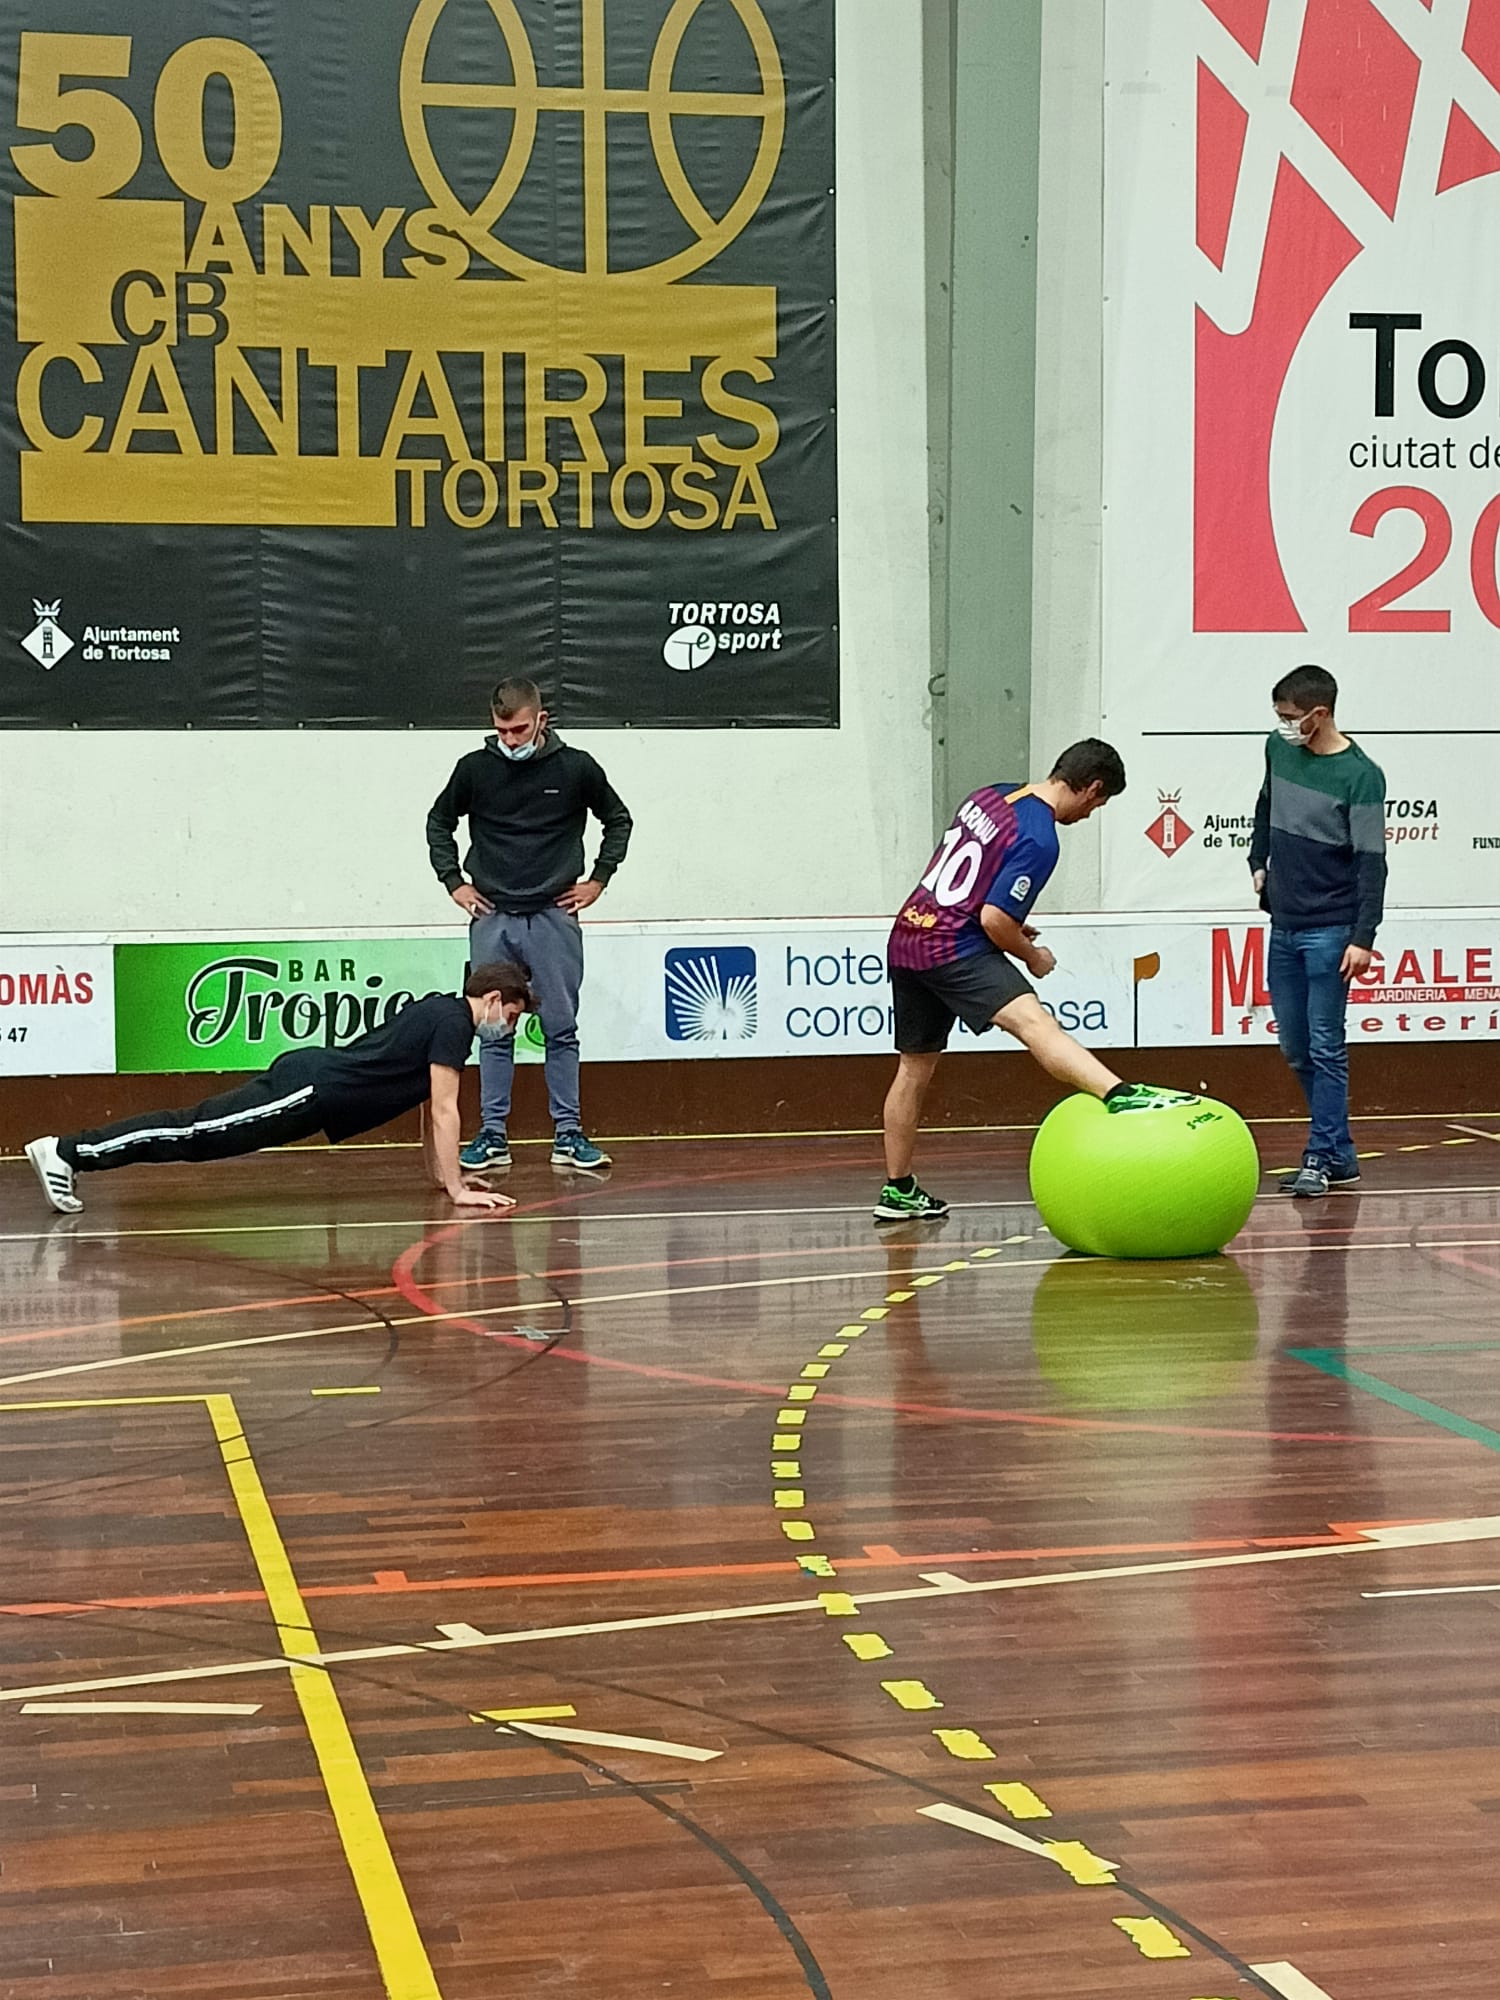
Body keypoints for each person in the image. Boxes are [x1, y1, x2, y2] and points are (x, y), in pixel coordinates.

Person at [878, 739, 1159, 1222]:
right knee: (1035, 1022)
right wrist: (1032, 956)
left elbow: (967, 880)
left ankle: (898, 1189)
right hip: (952, 946)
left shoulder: (991, 794)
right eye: (1098, 805)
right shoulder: (1041, 837)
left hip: (909, 935)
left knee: (913, 1070)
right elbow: (993, 919)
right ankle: (1120, 1095)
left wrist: (1008, 923)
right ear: (1092, 788)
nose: (1089, 816)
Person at [25, 964, 532, 1217]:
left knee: (199, 1136)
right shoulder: (454, 1024)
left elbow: (426, 1105)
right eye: (509, 1016)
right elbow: (444, 1111)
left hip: (312, 1086)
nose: (506, 1027)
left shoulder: (443, 1012)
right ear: (492, 998)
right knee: (196, 1131)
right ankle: (66, 1151)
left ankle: (70, 1153)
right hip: (309, 1090)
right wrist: (459, 1191)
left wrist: (446, 1177)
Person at [426, 678, 632, 1174]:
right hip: (492, 915)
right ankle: (492, 1136)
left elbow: (618, 819)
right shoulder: (474, 769)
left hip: (553, 917)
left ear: (542, 719)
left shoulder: (577, 767)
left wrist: (598, 880)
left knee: (560, 1028)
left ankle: (569, 1135)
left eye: (519, 730)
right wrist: (454, 882)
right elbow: (438, 822)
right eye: (501, 731)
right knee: (493, 1030)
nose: (510, 740)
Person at [1249, 664, 1386, 1198]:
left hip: (1331, 929)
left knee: (1327, 1046)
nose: (1283, 726)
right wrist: (1257, 859)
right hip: (1284, 924)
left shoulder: (1360, 775)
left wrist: (1363, 937)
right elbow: (1265, 804)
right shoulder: (1277, 749)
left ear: (1319, 713)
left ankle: (1320, 1156)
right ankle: (1341, 1155)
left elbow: (1371, 861)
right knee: (1296, 1046)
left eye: (1290, 716)